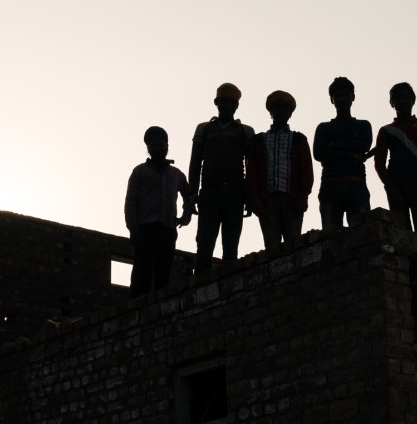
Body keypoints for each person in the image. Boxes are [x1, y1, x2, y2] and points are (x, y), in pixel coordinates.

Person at [188, 83, 255, 276]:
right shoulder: (204, 129)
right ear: (216, 103)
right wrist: (193, 193)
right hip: (209, 192)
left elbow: (251, 167)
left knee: (230, 247)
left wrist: (249, 196)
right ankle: (199, 286)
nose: (226, 105)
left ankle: (228, 290)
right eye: (223, 102)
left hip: (235, 194)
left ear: (236, 106)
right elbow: (195, 163)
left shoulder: (245, 131)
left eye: (231, 102)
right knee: (204, 245)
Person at [124, 126, 192, 297]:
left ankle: (160, 310)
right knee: (141, 274)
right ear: (148, 149)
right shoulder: (139, 172)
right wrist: (133, 229)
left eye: (160, 145)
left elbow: (189, 196)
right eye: (153, 146)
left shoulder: (176, 174)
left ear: (167, 146)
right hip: (145, 229)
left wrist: (186, 216)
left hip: (167, 229)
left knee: (163, 273)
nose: (157, 149)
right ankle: (136, 312)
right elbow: (130, 203)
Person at [246, 91, 313, 249]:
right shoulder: (259, 140)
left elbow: (306, 172)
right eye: (277, 107)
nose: (281, 111)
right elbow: (252, 172)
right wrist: (254, 199)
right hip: (267, 202)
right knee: (271, 247)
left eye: (285, 108)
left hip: (292, 200)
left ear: (290, 113)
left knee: (293, 246)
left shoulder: (298, 139)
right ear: (271, 112)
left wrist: (303, 197)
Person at [373, 82, 417, 234]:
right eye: (397, 98)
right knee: (401, 234)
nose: (402, 101)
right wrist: (389, 185)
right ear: (392, 103)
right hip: (396, 187)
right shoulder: (386, 130)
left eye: (406, 97)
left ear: (413, 100)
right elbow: (379, 163)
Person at [312, 77, 373, 230]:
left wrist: (334, 146)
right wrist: (350, 153)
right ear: (331, 100)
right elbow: (318, 153)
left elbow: (364, 145)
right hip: (330, 184)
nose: (342, 99)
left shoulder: (363, 125)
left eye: (345, 94)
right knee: (331, 237)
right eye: (337, 95)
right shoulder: (324, 128)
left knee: (362, 233)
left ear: (353, 97)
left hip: (356, 183)